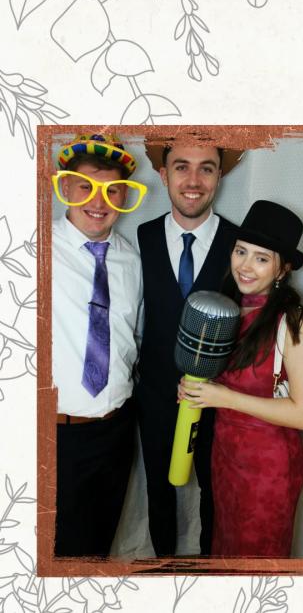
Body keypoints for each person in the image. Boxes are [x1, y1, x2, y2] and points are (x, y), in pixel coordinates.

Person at [178, 200, 303, 557]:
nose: (245, 265)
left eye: (261, 258)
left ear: (283, 268)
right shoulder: (227, 308)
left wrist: (222, 397)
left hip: (269, 468)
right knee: (224, 550)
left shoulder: (295, 322)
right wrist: (196, 389)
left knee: (257, 564)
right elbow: (215, 379)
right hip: (225, 455)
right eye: (241, 252)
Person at [135, 141, 241, 556]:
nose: (193, 181)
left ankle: (211, 570)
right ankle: (164, 568)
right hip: (155, 392)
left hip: (219, 398)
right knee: (159, 490)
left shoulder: (238, 244)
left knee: (216, 490)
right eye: (181, 167)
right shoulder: (143, 236)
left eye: (206, 168)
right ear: (164, 175)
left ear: (219, 176)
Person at [51, 133, 146, 556]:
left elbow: (130, 338)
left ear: (124, 196)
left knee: (96, 548)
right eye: (86, 185)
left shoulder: (132, 261)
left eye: (112, 190)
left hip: (116, 432)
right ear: (65, 187)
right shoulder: (32, 250)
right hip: (55, 434)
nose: (98, 200)